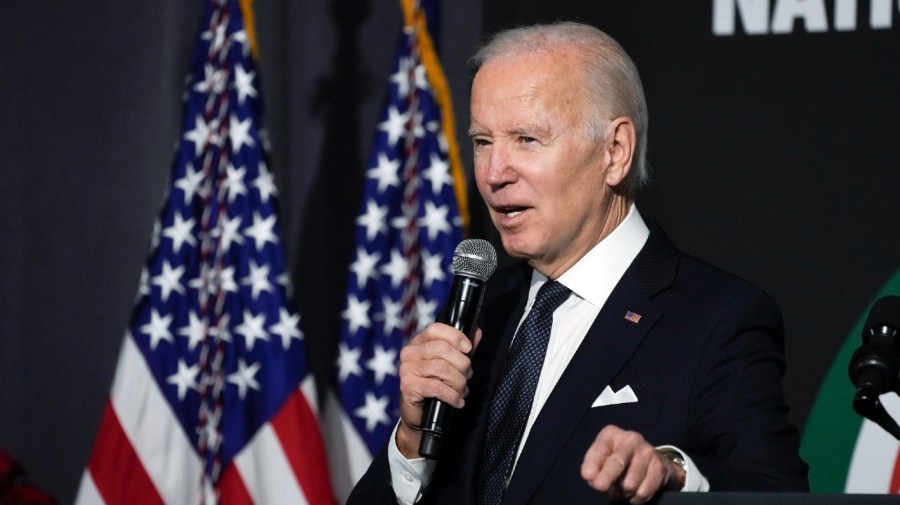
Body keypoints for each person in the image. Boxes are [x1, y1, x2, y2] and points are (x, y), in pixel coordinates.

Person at [347, 21, 809, 505]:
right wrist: (413, 440)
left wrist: (673, 476)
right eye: (483, 141)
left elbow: (774, 492)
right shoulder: (484, 307)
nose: (493, 174)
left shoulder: (716, 318)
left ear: (615, 152)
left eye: (526, 139)